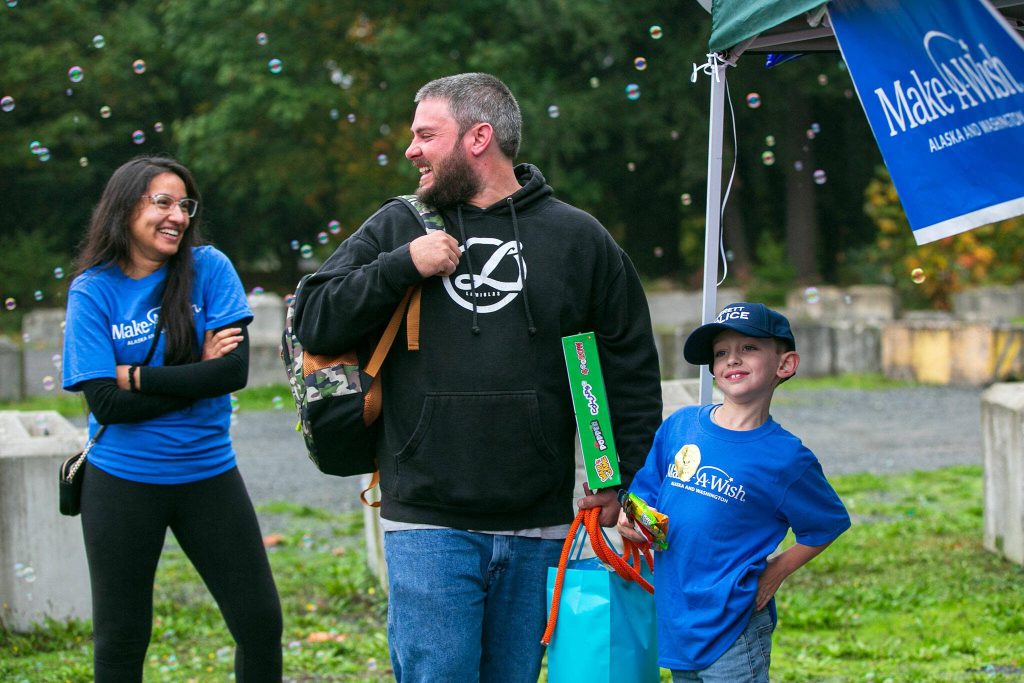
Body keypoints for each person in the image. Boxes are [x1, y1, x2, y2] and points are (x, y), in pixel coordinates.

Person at [293, 72, 662, 682]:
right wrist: (399, 267)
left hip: (540, 522)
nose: (411, 150)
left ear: (478, 137)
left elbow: (623, 367)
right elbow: (313, 319)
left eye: (425, 135)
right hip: (427, 520)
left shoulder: (579, 239)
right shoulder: (399, 227)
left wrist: (616, 479)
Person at [62, 156, 283, 681]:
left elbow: (232, 372)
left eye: (184, 204)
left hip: (209, 474)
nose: (177, 216)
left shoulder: (210, 268)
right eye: (161, 202)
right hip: (121, 482)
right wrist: (195, 371)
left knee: (259, 623)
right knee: (122, 637)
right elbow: (105, 405)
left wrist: (135, 377)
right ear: (124, 208)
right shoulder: (93, 290)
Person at [619, 302, 851, 682]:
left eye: (749, 348)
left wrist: (778, 571)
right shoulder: (680, 426)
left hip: (735, 622)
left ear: (785, 364)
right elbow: (646, 495)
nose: (732, 360)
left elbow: (827, 525)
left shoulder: (786, 458)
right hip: (679, 614)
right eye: (721, 352)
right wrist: (633, 518)